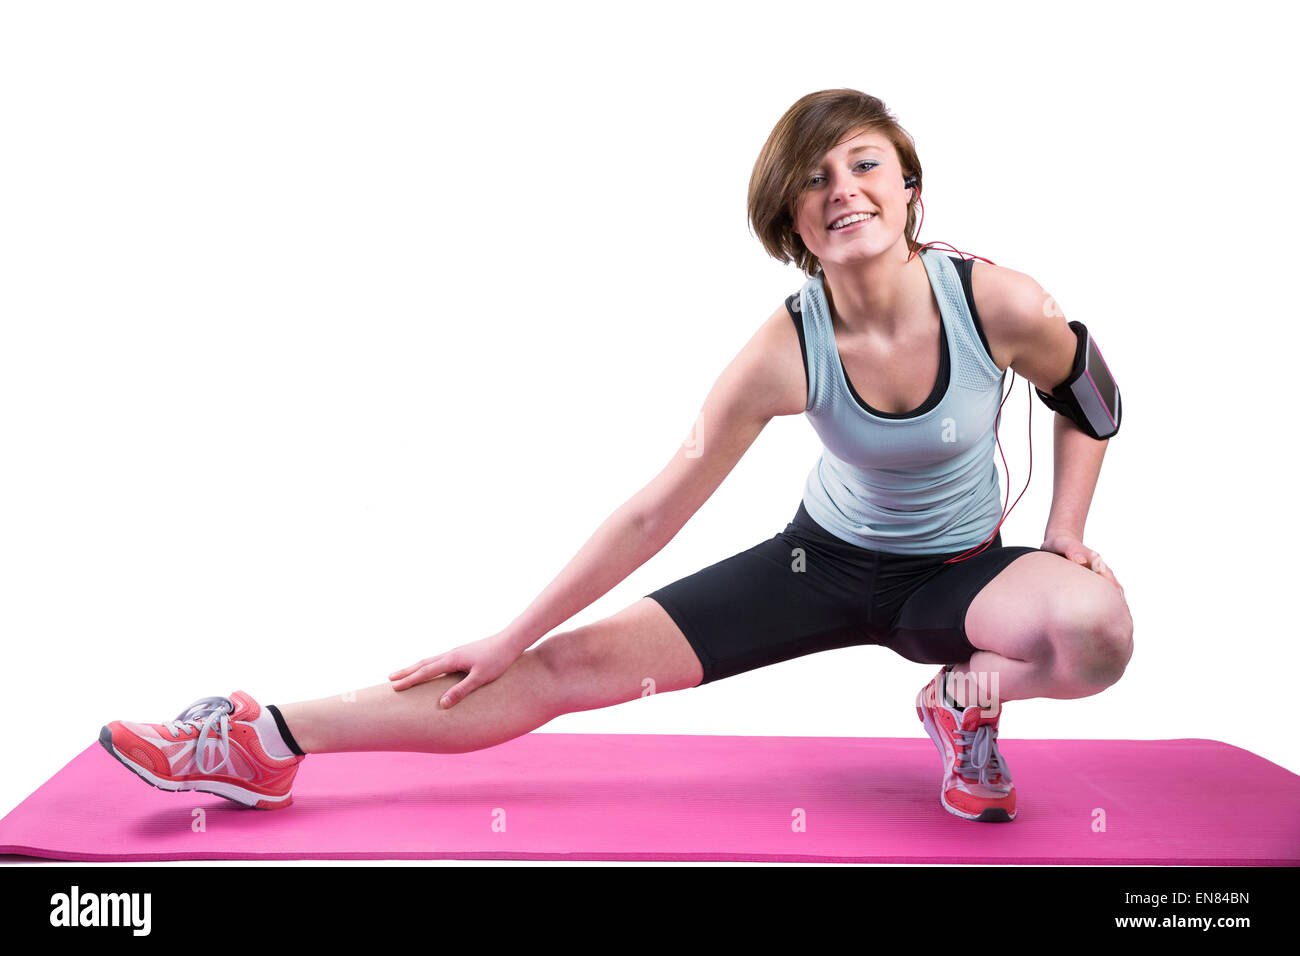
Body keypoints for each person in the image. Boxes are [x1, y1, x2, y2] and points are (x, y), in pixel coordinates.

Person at [100, 89, 1132, 823]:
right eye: (814, 178)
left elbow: (1088, 393)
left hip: (961, 576)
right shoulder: (784, 349)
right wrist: (514, 631)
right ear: (791, 220)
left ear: (909, 187)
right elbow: (655, 510)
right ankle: (264, 739)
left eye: (865, 163)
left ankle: (960, 698)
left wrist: (1065, 532)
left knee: (1093, 631)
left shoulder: (996, 299)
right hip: (819, 567)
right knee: (557, 670)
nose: (843, 188)